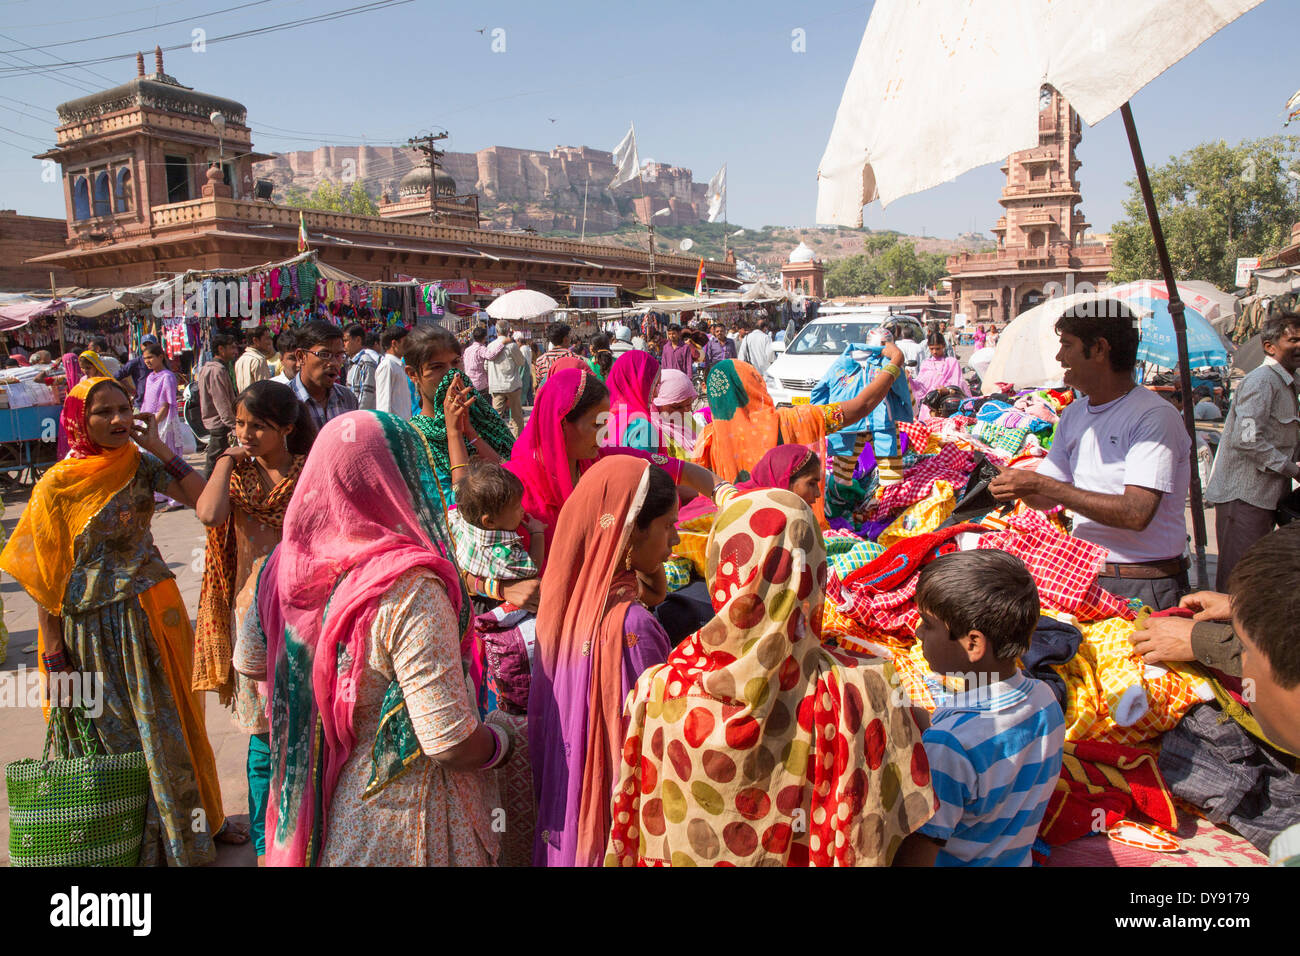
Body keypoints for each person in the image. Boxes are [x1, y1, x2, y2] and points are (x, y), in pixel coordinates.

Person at [605, 486, 934, 866]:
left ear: (720, 568)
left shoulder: (660, 688)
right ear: (813, 570)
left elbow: (645, 821)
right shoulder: (865, 690)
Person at [242, 411, 511, 866]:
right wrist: (503, 742)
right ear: (401, 477)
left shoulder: (284, 565)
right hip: (402, 820)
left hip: (319, 807)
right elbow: (448, 743)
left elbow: (250, 662)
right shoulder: (409, 588)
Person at [0, 376, 230, 864]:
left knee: (172, 724)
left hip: (153, 617)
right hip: (91, 629)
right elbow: (45, 576)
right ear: (79, 421)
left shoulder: (143, 465)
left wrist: (162, 448)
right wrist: (53, 651)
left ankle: (193, 828)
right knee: (110, 735)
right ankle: (120, 840)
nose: (118, 420)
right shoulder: (57, 485)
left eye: (125, 408)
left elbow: (206, 506)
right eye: (102, 412)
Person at [531, 456, 715, 866]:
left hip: (572, 817)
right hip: (618, 821)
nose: (676, 540)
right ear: (630, 533)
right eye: (668, 526)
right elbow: (662, 742)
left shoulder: (568, 603)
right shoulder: (633, 628)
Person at [989, 301, 1191, 609]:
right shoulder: (1075, 414)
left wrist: (1041, 485)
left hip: (1144, 583)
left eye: (1067, 346)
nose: (1060, 357)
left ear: (1099, 349)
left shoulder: (1153, 417)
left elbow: (1136, 513)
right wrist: (1020, 485)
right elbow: (1044, 497)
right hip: (1089, 576)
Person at [194, 379, 315, 866]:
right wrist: (224, 459)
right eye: (240, 424)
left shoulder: (309, 473)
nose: (246, 434)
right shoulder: (236, 476)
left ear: (286, 428)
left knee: (308, 725)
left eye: (258, 427)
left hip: (304, 608)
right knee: (263, 736)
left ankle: (305, 830)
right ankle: (267, 846)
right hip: (252, 613)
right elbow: (208, 513)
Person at [895, 550, 1064, 866]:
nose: (917, 633)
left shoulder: (948, 746)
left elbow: (917, 854)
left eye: (927, 624)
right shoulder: (1045, 701)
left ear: (973, 644)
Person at [504, 367, 721, 561]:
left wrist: (727, 493)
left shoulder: (602, 460)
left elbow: (682, 470)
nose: (606, 432)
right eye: (597, 424)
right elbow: (481, 557)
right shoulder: (513, 485)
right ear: (562, 424)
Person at [692, 352, 905, 486]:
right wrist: (896, 362)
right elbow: (862, 406)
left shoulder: (710, 438)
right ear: (755, 385)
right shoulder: (793, 420)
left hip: (740, 531)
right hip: (792, 528)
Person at [1204, 311, 1300, 590]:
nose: (1299, 346)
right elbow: (1247, 439)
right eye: (1293, 340)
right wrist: (1292, 469)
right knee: (1238, 582)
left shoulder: (1286, 384)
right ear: (1270, 347)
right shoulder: (1262, 381)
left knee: (1256, 580)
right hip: (1244, 498)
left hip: (1266, 498)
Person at [406, 325, 515, 508]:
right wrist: (454, 433)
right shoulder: (415, 439)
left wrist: (471, 435)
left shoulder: (482, 417)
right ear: (413, 374)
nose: (452, 375)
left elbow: (515, 475)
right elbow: (458, 508)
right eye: (437, 367)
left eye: (456, 363)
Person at [449, 461, 545, 583]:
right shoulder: (503, 555)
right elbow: (533, 568)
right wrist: (537, 534)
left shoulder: (460, 515)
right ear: (489, 522)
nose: (523, 509)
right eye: (516, 507)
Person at [139, 341, 186, 505]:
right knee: (154, 460)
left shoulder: (167, 377)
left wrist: (154, 423)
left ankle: (176, 498)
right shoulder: (150, 377)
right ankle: (160, 494)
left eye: (151, 357)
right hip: (152, 422)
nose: (148, 361)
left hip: (165, 424)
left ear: (161, 357)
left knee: (168, 458)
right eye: (145, 358)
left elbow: (166, 405)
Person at [291, 319, 359, 430]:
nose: (334, 363)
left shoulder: (348, 399)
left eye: (339, 355)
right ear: (301, 356)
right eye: (324, 354)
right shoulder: (283, 401)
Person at [197, 333, 240, 479]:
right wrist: (233, 425)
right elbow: (221, 402)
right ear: (221, 349)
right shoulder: (217, 371)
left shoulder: (210, 368)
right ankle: (205, 493)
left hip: (218, 422)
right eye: (232, 348)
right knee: (215, 461)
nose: (235, 352)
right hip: (220, 424)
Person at [605, 349, 664, 453]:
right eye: (653, 385)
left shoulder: (602, 419)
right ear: (640, 385)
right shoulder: (641, 428)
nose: (656, 394)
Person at [911, 332, 970, 420]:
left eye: (937, 348)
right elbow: (919, 386)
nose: (934, 352)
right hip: (929, 408)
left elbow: (959, 384)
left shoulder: (951, 362)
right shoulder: (926, 364)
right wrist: (908, 379)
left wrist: (947, 390)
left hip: (949, 406)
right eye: (932, 349)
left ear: (943, 346)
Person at [651, 368, 705, 458]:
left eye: (689, 404)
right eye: (677, 407)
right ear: (657, 402)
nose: (686, 410)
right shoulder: (654, 433)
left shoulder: (686, 417)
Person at [485, 323, 527, 436]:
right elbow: (521, 362)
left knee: (496, 418)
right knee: (517, 417)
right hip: (512, 385)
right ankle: (519, 444)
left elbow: (486, 366)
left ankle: (495, 442)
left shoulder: (490, 346)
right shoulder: (512, 346)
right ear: (508, 330)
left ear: (497, 331)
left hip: (496, 385)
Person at [374, 325, 412, 418]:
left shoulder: (399, 365)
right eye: (405, 342)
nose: (408, 346)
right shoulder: (387, 366)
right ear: (394, 344)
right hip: (395, 426)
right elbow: (384, 403)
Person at [341, 323, 379, 410]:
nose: (344, 345)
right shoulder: (352, 363)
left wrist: (356, 416)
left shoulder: (366, 363)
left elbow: (366, 397)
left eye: (346, 341)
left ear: (358, 340)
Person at [532, 321, 574, 389]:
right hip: (568, 398)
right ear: (565, 339)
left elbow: (540, 383)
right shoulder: (574, 358)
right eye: (569, 336)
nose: (570, 338)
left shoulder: (540, 360)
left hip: (548, 397)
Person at [233, 326, 272, 393]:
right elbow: (265, 390)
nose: (270, 342)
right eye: (267, 339)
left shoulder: (240, 360)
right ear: (255, 340)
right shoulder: (259, 360)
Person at [118, 334, 156, 401]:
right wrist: (131, 390)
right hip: (141, 402)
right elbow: (117, 377)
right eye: (145, 345)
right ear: (141, 346)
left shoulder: (161, 361)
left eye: (150, 344)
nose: (148, 347)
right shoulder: (135, 362)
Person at [462, 325, 491, 394]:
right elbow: (490, 356)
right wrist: (502, 344)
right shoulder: (481, 349)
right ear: (484, 337)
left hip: (468, 383)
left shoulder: (467, 350)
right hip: (480, 384)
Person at [515, 330, 535, 405]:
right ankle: (530, 402)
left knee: (525, 389)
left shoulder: (523, 349)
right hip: (528, 372)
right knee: (528, 390)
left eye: (516, 342)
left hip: (525, 373)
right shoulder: (527, 348)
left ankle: (524, 403)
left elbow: (523, 363)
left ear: (519, 341)